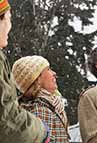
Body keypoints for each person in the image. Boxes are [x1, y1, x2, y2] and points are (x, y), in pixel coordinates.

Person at [0, 0, 50, 142]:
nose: (10, 26)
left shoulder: (54, 102)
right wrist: (42, 131)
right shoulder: (37, 109)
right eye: (9, 19)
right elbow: (6, 121)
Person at [12, 55, 70, 143]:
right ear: (37, 79)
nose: (54, 73)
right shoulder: (39, 110)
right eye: (48, 69)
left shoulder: (51, 104)